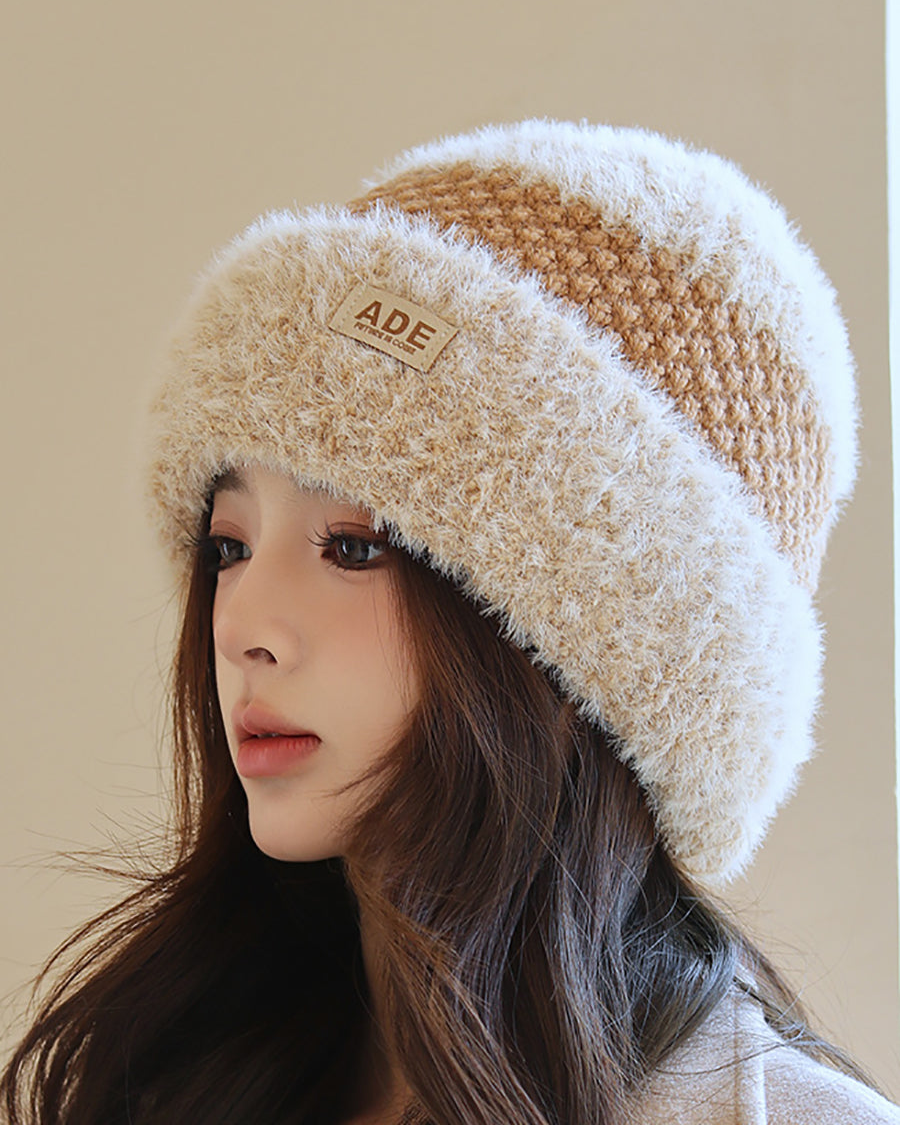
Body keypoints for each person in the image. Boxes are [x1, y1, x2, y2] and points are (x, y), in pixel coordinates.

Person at [3, 119, 899, 1124]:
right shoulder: (172, 1079)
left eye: (353, 548)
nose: (243, 625)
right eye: (228, 547)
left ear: (581, 656)